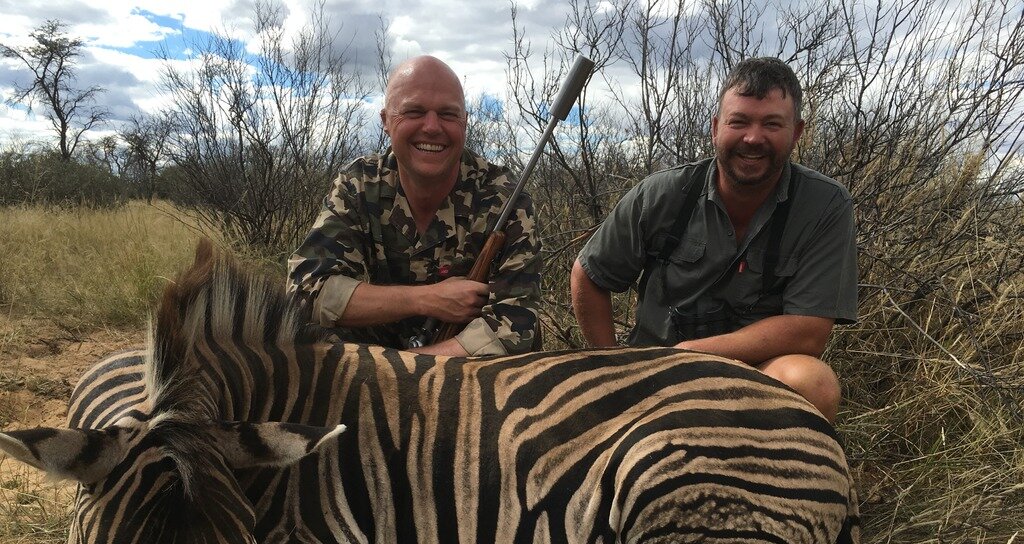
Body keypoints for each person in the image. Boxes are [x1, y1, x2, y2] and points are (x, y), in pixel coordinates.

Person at [571, 57, 857, 421]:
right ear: (715, 128)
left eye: (772, 124)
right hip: (656, 373)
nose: (753, 138)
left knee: (812, 382)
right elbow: (588, 275)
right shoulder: (662, 194)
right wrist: (612, 368)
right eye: (739, 122)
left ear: (797, 132)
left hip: (756, 374)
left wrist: (693, 352)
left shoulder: (825, 204)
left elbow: (808, 332)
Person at [288, 55, 541, 356]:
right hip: (380, 370)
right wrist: (428, 299)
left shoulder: (506, 198)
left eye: (448, 114)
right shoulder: (358, 184)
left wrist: (404, 373)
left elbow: (513, 326)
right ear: (385, 121)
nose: (432, 127)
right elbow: (306, 292)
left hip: (470, 379)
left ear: (465, 122)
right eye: (414, 111)